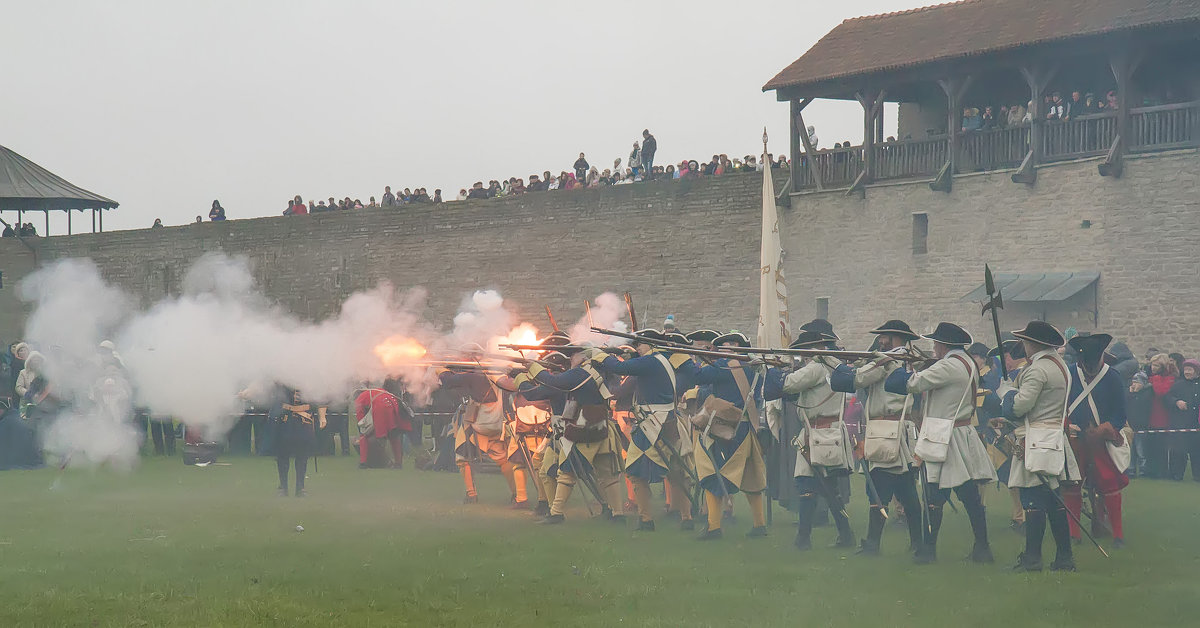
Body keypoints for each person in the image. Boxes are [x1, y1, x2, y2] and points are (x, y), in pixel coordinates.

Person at [885, 322, 996, 564]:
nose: (934, 347)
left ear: (944, 345)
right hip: (958, 433)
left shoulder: (948, 366)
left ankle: (928, 551)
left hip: (946, 436)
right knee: (967, 495)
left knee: (935, 495)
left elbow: (907, 384)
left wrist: (892, 364)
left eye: (936, 343)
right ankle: (981, 547)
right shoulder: (966, 363)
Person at [830, 320, 924, 556]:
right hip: (892, 430)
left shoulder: (888, 360)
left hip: (886, 430)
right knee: (905, 491)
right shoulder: (899, 358)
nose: (881, 340)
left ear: (897, 339)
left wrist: (831, 361)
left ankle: (873, 544)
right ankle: (918, 543)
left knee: (879, 489)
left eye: (885, 337)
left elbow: (856, 380)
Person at [996, 321, 1079, 572]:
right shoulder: (1060, 366)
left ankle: (1032, 558)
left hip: (1036, 439)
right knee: (1053, 500)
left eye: (1025, 341)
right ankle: (1064, 557)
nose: (1023, 345)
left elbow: (1020, 406)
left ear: (1034, 343)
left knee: (1032, 499)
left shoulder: (1037, 369)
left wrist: (1006, 393)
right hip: (1053, 437)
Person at [765, 322, 855, 551]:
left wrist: (771, 369)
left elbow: (788, 384)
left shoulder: (817, 366)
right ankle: (840, 535)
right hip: (824, 433)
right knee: (825, 487)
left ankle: (805, 539)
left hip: (819, 433)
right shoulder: (834, 365)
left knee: (809, 485)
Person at [596, 329, 696, 532]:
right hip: (668, 422)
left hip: (651, 425)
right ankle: (686, 517)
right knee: (678, 470)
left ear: (648, 345)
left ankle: (646, 519)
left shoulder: (650, 361)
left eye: (639, 345)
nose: (637, 348)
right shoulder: (661, 360)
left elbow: (617, 367)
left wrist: (599, 355)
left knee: (633, 470)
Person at [525, 347, 627, 524]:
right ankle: (617, 514)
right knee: (607, 475)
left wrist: (533, 367)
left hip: (583, 427)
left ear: (583, 355)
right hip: (600, 424)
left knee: (567, 470)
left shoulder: (580, 373)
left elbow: (552, 381)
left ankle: (556, 513)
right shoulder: (598, 371)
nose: (570, 358)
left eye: (573, 354)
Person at [689, 331, 769, 540]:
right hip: (746, 428)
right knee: (751, 476)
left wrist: (690, 357)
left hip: (724, 429)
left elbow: (697, 376)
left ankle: (714, 527)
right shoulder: (753, 367)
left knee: (711, 473)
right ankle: (759, 524)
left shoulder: (723, 365)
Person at [1064, 333, 1129, 548]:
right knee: (1072, 483)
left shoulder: (1113, 377)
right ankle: (1074, 533)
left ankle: (1117, 535)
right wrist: (1069, 424)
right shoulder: (1070, 375)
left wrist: (1105, 428)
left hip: (1101, 440)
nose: (1089, 368)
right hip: (1075, 438)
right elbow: (1062, 405)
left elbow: (1120, 414)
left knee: (1110, 484)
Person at [440, 349, 527, 506]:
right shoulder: (496, 373)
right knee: (503, 459)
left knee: (461, 457)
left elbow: (448, 382)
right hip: (496, 423)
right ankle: (517, 495)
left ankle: (471, 494)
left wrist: (441, 371)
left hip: (479, 424)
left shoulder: (475, 376)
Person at [271, 388, 323, 497]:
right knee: (283, 455)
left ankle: (300, 488)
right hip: (285, 419)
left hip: (304, 421)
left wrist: (322, 416)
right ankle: (283, 488)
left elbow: (320, 397)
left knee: (302, 456)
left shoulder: (310, 380)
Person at [354, 385, 411, 469]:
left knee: (364, 436)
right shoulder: (377, 391)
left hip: (381, 407)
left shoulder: (360, 399)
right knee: (393, 436)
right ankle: (398, 463)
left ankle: (363, 463)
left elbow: (361, 420)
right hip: (394, 405)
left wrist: (362, 432)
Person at [1162, 358, 1200, 481]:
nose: (1187, 372)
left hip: (1197, 424)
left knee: (1197, 452)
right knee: (1178, 451)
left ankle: (1198, 475)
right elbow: (1167, 397)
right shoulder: (1178, 384)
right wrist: (1176, 402)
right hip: (1181, 423)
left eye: (1190, 369)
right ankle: (1176, 475)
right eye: (1186, 369)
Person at [1144, 353, 1177, 477]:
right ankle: (1151, 470)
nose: (1153, 367)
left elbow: (1160, 392)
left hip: (1163, 415)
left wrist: (1155, 379)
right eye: (1152, 364)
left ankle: (1162, 472)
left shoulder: (1170, 378)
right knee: (1150, 445)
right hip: (1150, 413)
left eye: (1156, 365)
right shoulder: (1150, 376)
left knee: (1161, 446)